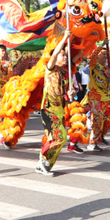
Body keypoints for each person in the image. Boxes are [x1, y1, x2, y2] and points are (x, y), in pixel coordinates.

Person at [36, 32, 76, 175]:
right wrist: (65, 38)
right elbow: (53, 56)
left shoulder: (63, 75)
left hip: (59, 110)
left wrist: (70, 95)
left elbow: (64, 96)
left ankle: (44, 166)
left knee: (56, 139)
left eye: (66, 55)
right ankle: (43, 158)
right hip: (49, 110)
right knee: (61, 138)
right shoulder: (50, 69)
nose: (65, 56)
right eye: (62, 55)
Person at [83, 47, 110, 151]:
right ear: (97, 56)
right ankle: (92, 143)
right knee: (98, 121)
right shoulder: (93, 66)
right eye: (103, 54)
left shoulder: (106, 69)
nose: (105, 56)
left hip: (106, 98)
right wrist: (103, 44)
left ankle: (101, 135)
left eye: (105, 54)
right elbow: (92, 57)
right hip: (96, 98)